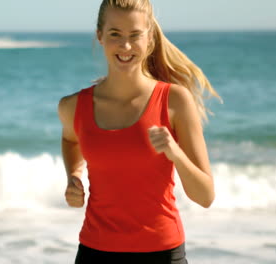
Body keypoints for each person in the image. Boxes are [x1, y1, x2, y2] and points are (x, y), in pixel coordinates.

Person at [57, 0, 222, 263]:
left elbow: (205, 196)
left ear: (150, 39)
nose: (125, 46)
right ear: (100, 36)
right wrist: (73, 175)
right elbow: (70, 138)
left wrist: (175, 152)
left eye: (135, 35)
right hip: (94, 252)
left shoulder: (174, 101)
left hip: (162, 253)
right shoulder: (73, 106)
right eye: (115, 35)